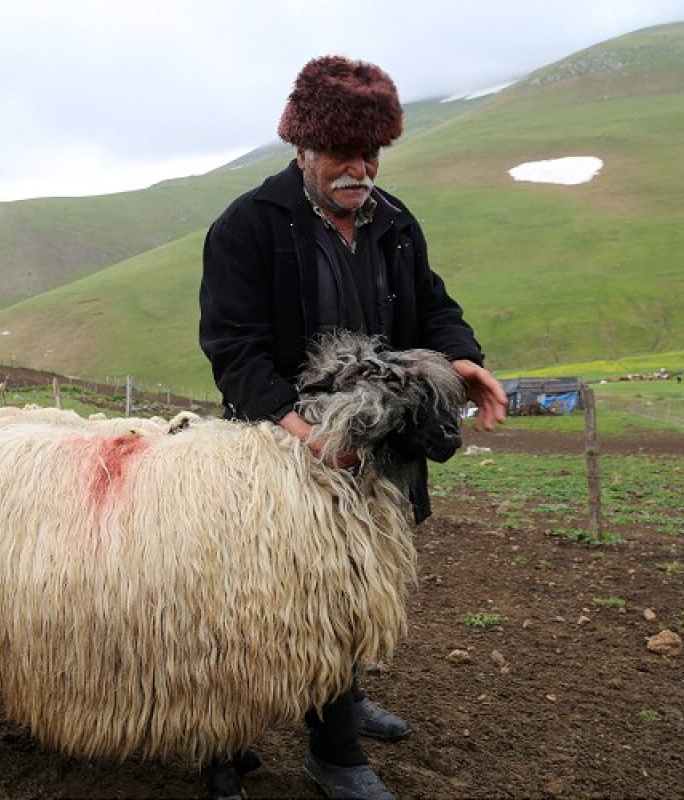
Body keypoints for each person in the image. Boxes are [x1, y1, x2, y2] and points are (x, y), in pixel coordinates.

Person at [199, 55, 507, 799]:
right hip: (280, 456)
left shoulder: (394, 224)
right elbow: (232, 346)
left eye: (370, 155)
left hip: (383, 446)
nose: (359, 169)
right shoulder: (248, 226)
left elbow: (433, 308)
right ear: (302, 148)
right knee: (269, 598)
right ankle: (304, 748)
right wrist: (301, 428)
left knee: (358, 591)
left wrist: (463, 361)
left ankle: (340, 699)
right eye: (342, 153)